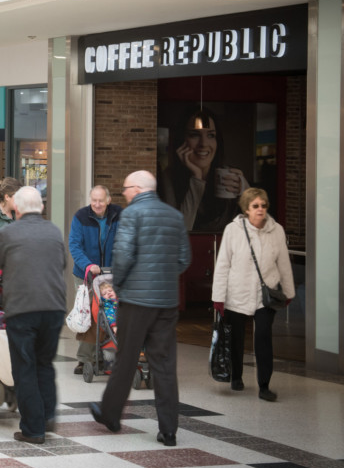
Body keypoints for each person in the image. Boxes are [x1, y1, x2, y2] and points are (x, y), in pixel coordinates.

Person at [90, 171, 191, 447]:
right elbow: (184, 259)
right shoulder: (174, 216)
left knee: (126, 359)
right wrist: (164, 280)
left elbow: (122, 256)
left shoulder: (132, 215)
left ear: (136, 189)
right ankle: (169, 430)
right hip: (167, 303)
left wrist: (119, 286)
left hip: (136, 301)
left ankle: (110, 414)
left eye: (125, 189)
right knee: (165, 365)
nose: (124, 193)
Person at [0, 186, 66, 444]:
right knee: (44, 363)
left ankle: (33, 429)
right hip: (54, 308)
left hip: (23, 309)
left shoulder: (8, 233)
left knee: (25, 368)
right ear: (42, 207)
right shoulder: (54, 231)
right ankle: (47, 416)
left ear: (16, 208)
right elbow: (61, 264)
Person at [211, 187, 295, 402]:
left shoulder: (277, 230)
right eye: (255, 206)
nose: (260, 210)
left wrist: (288, 291)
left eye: (263, 205)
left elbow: (283, 263)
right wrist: (218, 297)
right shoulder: (233, 230)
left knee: (263, 337)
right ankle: (236, 376)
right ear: (246, 209)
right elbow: (223, 264)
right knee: (236, 337)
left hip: (265, 294)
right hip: (236, 292)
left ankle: (264, 384)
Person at [160, 108, 247, 233]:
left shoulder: (229, 175)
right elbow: (178, 233)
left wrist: (245, 190)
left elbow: (258, 228)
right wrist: (197, 178)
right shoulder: (169, 178)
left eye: (211, 135)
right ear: (182, 141)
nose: (204, 143)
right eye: (194, 135)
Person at [68, 185, 122, 374]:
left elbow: (124, 242)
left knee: (110, 312)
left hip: (111, 274)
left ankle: (106, 354)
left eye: (100, 200)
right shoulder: (81, 217)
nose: (97, 204)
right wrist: (88, 265)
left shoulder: (118, 215)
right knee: (89, 315)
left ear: (108, 200)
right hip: (86, 275)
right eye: (93, 200)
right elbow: (74, 245)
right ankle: (85, 359)